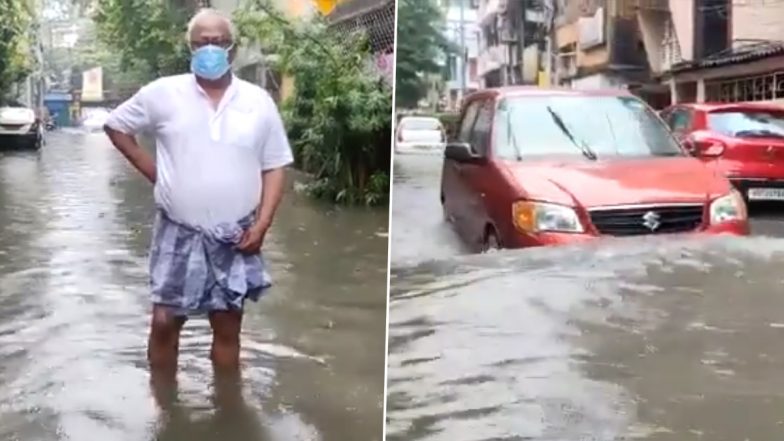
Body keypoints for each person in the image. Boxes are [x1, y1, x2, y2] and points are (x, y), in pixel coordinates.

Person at [104, 8, 293, 373]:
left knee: (227, 324)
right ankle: (163, 413)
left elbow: (275, 166)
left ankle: (226, 409)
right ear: (190, 47)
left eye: (219, 42)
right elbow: (116, 126)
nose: (210, 49)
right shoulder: (162, 93)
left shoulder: (258, 102)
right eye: (202, 42)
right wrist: (156, 174)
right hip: (178, 228)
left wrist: (263, 225)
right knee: (163, 322)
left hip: (236, 232)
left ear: (233, 49)